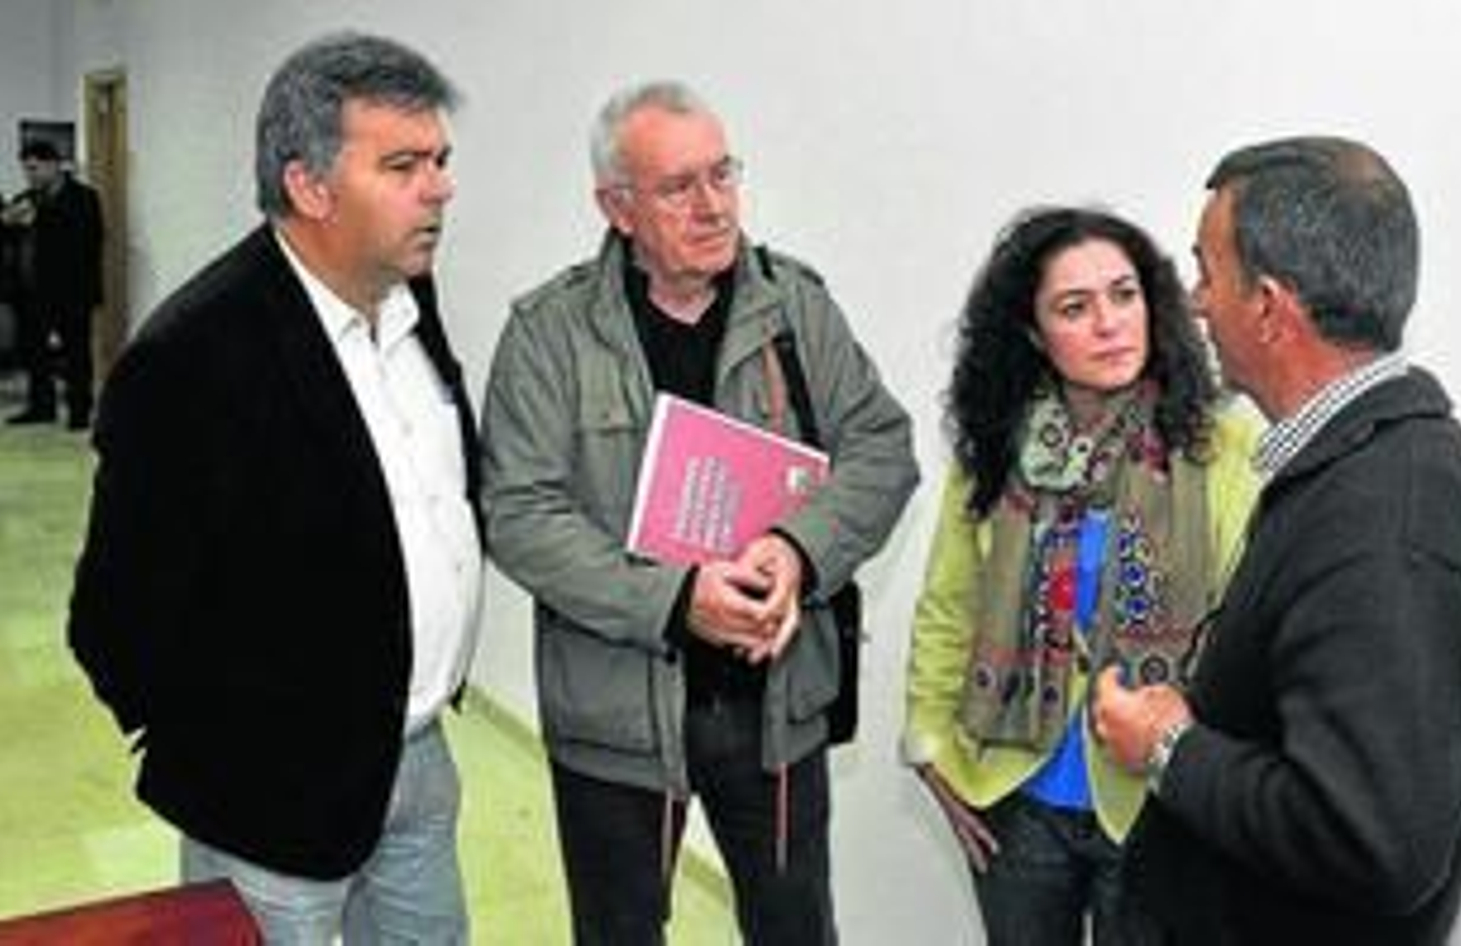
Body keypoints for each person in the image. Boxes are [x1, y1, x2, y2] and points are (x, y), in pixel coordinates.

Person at [481, 80, 918, 945]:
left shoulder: (795, 305)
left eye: (723, 174)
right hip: (616, 720)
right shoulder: (548, 333)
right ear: (617, 207)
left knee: (797, 930)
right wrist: (679, 600)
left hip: (775, 709)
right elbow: (519, 514)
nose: (714, 205)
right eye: (680, 187)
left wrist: (797, 552)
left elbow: (882, 448)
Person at [67, 32, 481, 943]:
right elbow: (115, 620)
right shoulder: (193, 360)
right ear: (309, 186)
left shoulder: (410, 300)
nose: (440, 187)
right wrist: (234, 755)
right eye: (405, 164)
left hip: (415, 765)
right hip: (270, 805)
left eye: (441, 161)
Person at [1092, 136, 1461, 945]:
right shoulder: (1361, 465)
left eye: (1208, 273)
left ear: (1269, 307)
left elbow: (1374, 840)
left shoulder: (1391, 524)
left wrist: (1169, 748)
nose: (1194, 302)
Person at [900, 206, 1258, 945]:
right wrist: (929, 747)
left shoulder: (1222, 445)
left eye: (1124, 296)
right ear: (1033, 333)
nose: (1109, 323)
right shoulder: (998, 450)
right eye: (1075, 307)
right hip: (1015, 798)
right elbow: (950, 606)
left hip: (1158, 805)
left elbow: (1247, 628)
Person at [3, 139, 104, 429]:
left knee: (76, 353)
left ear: (53, 165)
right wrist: (7, 223)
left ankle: (79, 411)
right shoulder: (27, 198)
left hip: (72, 291)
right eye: (26, 169)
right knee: (34, 352)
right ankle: (40, 406)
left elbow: (86, 240)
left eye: (34, 168)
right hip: (31, 292)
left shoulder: (84, 198)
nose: (30, 175)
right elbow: (11, 239)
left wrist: (41, 219)